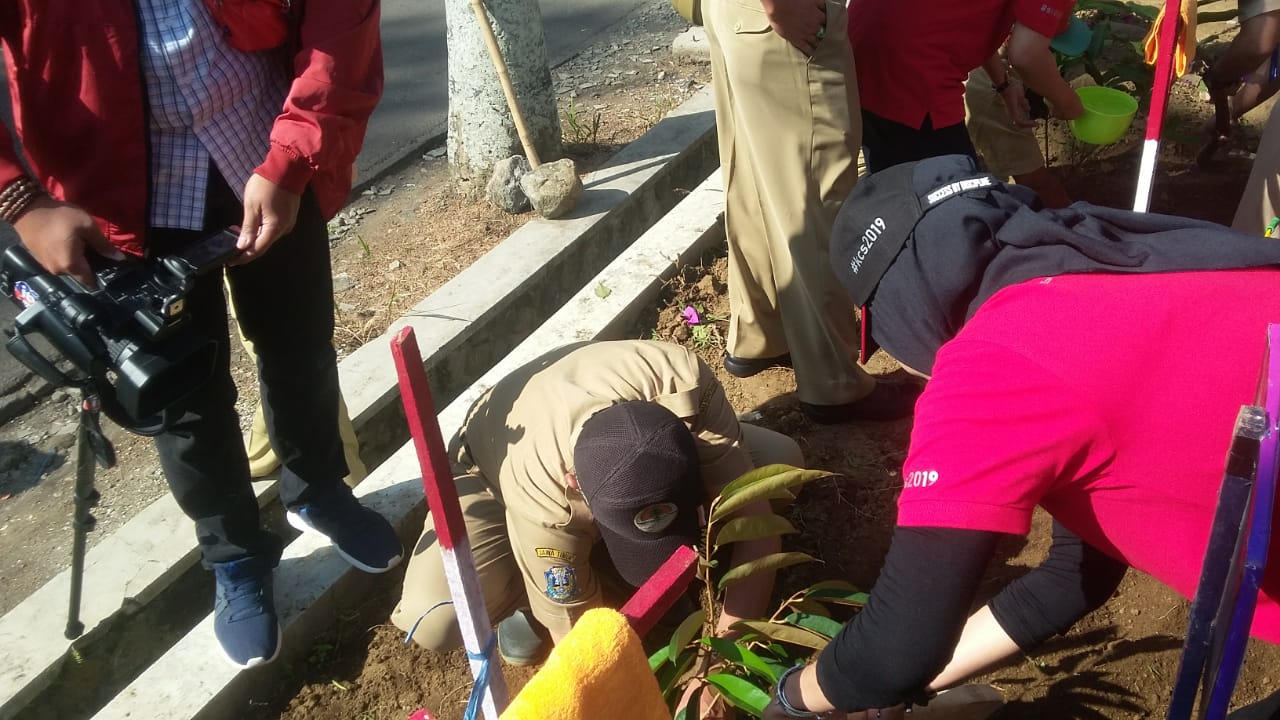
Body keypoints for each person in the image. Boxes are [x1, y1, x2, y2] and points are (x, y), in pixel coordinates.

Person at [761, 155, 1280, 718]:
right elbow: (1074, 577)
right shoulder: (1120, 260)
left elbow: (895, 649)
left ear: (906, 303)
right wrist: (905, 689)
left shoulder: (994, 366)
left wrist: (792, 699)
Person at [0, 0, 401, 669]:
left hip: (265, 156)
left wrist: (295, 155)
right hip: (118, 209)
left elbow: (340, 15)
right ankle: (235, 555)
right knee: (185, 403)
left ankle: (319, 489)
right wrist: (19, 200)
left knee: (299, 344)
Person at [391, 340, 805, 665]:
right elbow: (580, 642)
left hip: (593, 382)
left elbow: (758, 527)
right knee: (436, 619)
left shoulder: (686, 385)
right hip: (496, 458)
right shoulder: (542, 494)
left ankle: (606, 543)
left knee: (783, 470)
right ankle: (529, 591)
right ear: (577, 487)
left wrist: (721, 659)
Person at [699, 0, 922, 425]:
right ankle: (833, 381)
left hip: (740, 14)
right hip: (785, 16)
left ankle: (763, 331)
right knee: (815, 194)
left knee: (756, 176)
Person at [849, 0, 1085, 174]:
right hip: (913, 75)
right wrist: (1069, 103)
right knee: (953, 201)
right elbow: (1026, 54)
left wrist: (1003, 84)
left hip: (859, 48)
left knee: (891, 186)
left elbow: (969, 16)